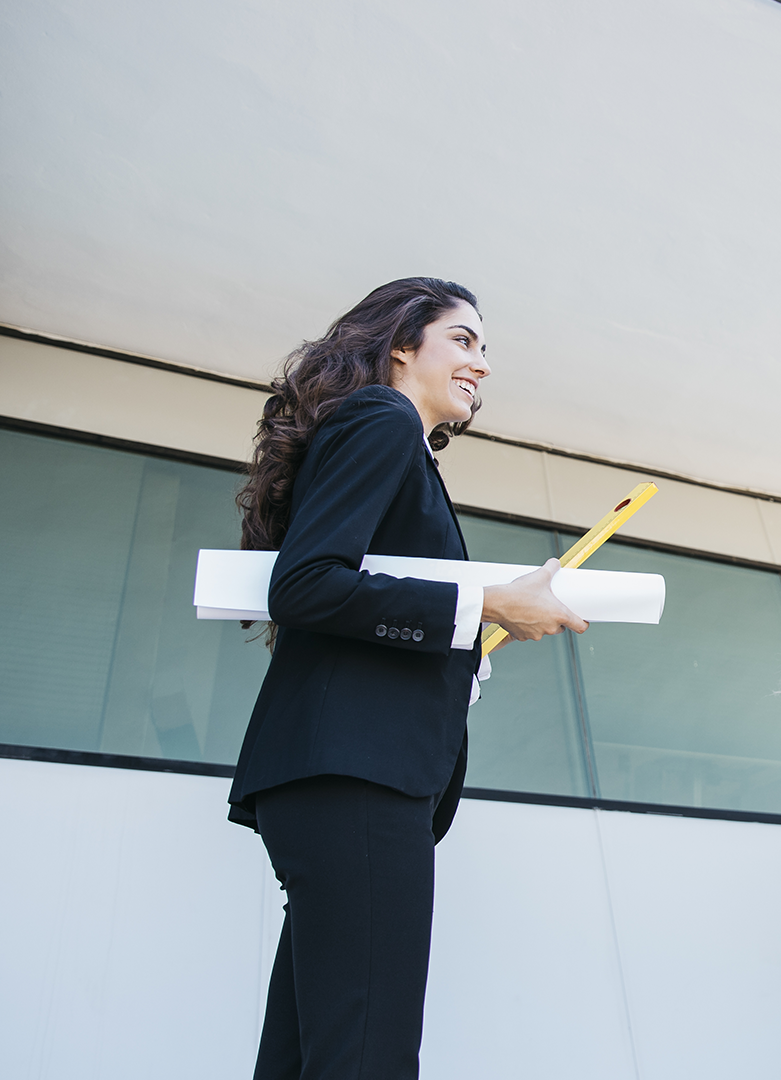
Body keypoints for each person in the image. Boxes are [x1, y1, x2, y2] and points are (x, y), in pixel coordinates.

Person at [228, 277, 588, 1080]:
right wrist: (484, 602)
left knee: (313, 1053)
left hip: (339, 777)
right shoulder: (381, 418)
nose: (482, 364)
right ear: (400, 346)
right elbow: (307, 584)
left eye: (484, 348)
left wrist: (474, 638)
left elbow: (360, 599)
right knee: (367, 1053)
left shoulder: (389, 440)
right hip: (354, 773)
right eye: (463, 339)